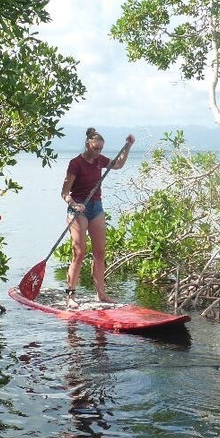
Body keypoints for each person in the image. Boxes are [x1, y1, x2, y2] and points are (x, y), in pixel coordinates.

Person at [60, 128, 134, 309]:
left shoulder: (99, 161)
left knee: (100, 252)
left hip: (96, 207)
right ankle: (71, 294)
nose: (98, 152)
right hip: (78, 210)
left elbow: (118, 165)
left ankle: (101, 293)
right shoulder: (75, 163)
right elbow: (64, 193)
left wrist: (128, 147)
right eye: (95, 148)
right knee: (79, 252)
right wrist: (74, 204)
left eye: (101, 149)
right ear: (87, 145)